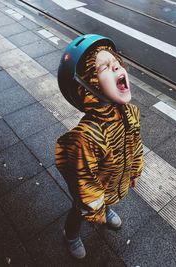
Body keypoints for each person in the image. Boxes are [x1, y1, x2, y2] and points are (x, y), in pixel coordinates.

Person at [56, 34, 143, 259]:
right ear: (87, 85)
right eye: (105, 67)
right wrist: (95, 208)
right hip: (92, 191)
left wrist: (135, 170)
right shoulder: (87, 135)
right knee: (80, 210)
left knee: (108, 197)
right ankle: (71, 234)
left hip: (114, 179)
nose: (116, 68)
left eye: (116, 64)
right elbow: (83, 180)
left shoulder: (131, 113)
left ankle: (107, 206)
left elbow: (136, 144)